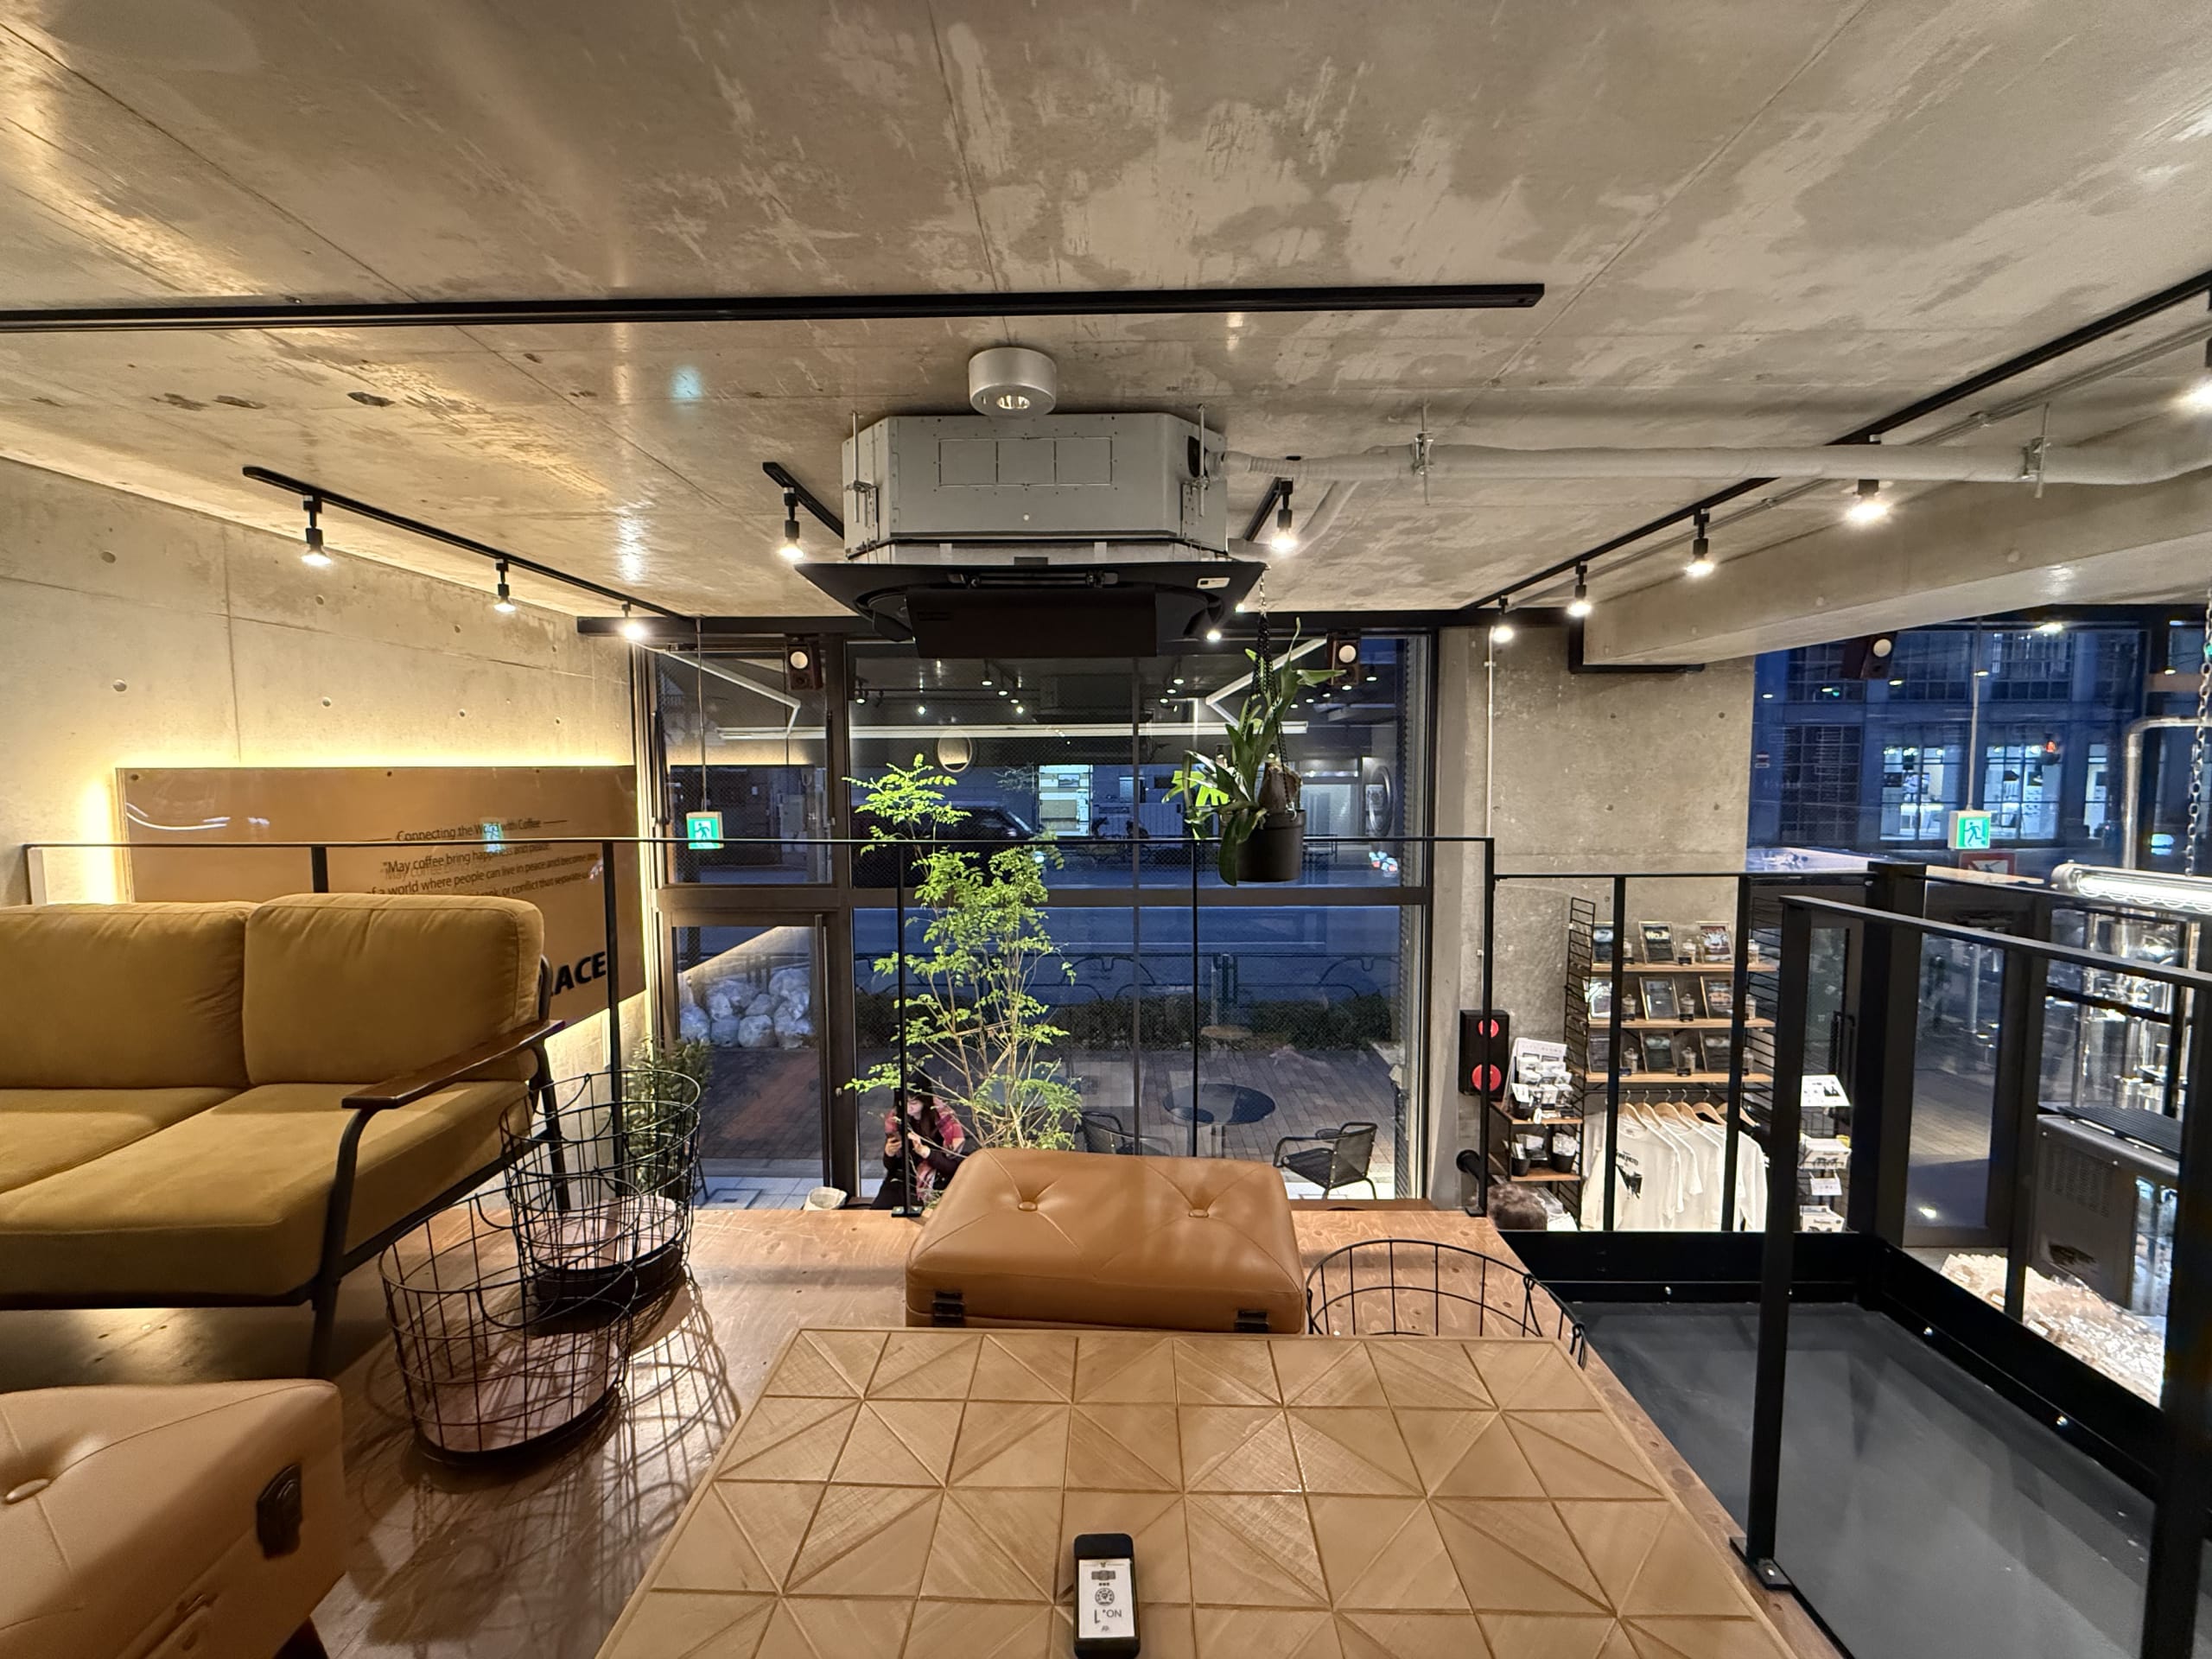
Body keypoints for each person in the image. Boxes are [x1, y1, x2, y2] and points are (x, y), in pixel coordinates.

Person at [873, 1085, 967, 1207]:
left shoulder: (943, 1120)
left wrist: (926, 1153)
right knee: (881, 1208)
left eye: (914, 1102)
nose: (908, 1107)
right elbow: (893, 1168)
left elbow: (953, 1167)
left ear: (924, 1101)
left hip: (936, 1180)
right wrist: (889, 1154)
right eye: (904, 1102)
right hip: (904, 1180)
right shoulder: (896, 1118)